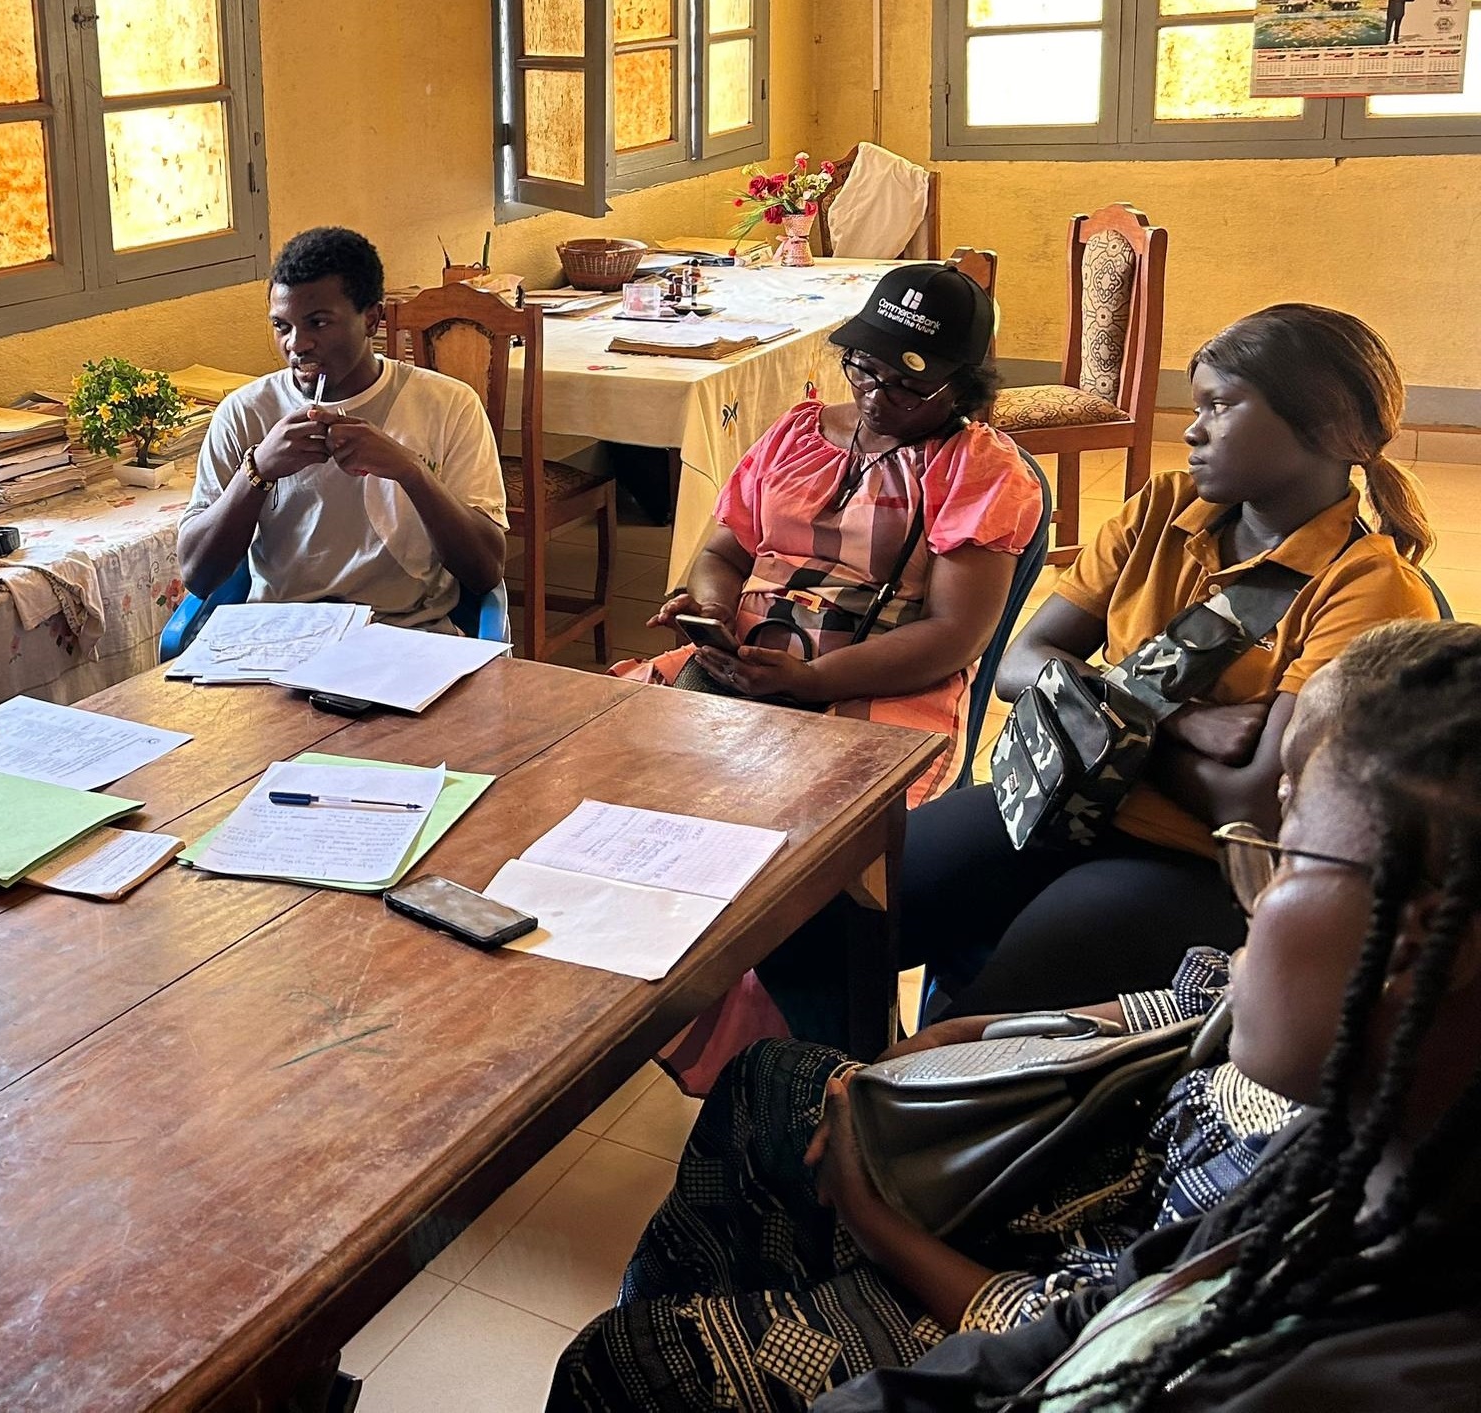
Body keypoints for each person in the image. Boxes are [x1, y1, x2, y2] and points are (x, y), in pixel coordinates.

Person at [543, 621, 1480, 1413]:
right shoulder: (1340, 1154)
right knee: (770, 1080)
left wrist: (881, 1228)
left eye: (1285, 855)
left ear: (1419, 941)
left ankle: (777, 1319)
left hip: (1064, 1243)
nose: (1251, 903)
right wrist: (958, 1036)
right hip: (1090, 1193)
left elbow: (1088, 1321)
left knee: (629, 1362)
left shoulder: (1340, 1358)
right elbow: (1188, 1013)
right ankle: (774, 1305)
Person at [761, 303, 1440, 1047]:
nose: (1193, 429)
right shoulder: (1163, 508)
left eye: (1220, 406)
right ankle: (851, 1077)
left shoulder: (1369, 590)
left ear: (1324, 425)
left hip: (1187, 858)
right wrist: (1181, 719)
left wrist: (1094, 714)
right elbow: (1021, 662)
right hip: (1058, 802)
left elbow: (1250, 804)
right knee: (798, 926)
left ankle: (889, 1090)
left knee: (965, 1049)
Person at [621, 262, 1042, 805]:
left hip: (878, 684)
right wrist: (714, 612)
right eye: (864, 369)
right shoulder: (797, 433)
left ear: (960, 389)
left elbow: (955, 632)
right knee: (622, 772)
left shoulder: (977, 471)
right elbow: (723, 556)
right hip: (745, 667)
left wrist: (811, 679)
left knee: (817, 823)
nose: (875, 398)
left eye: (908, 388)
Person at [178, 226, 508, 632]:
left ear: (372, 319)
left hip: (403, 634)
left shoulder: (447, 405)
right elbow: (198, 576)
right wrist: (258, 472)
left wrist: (410, 471)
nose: (297, 344)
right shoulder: (245, 413)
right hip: (280, 635)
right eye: (282, 326)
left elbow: (485, 572)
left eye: (318, 323)